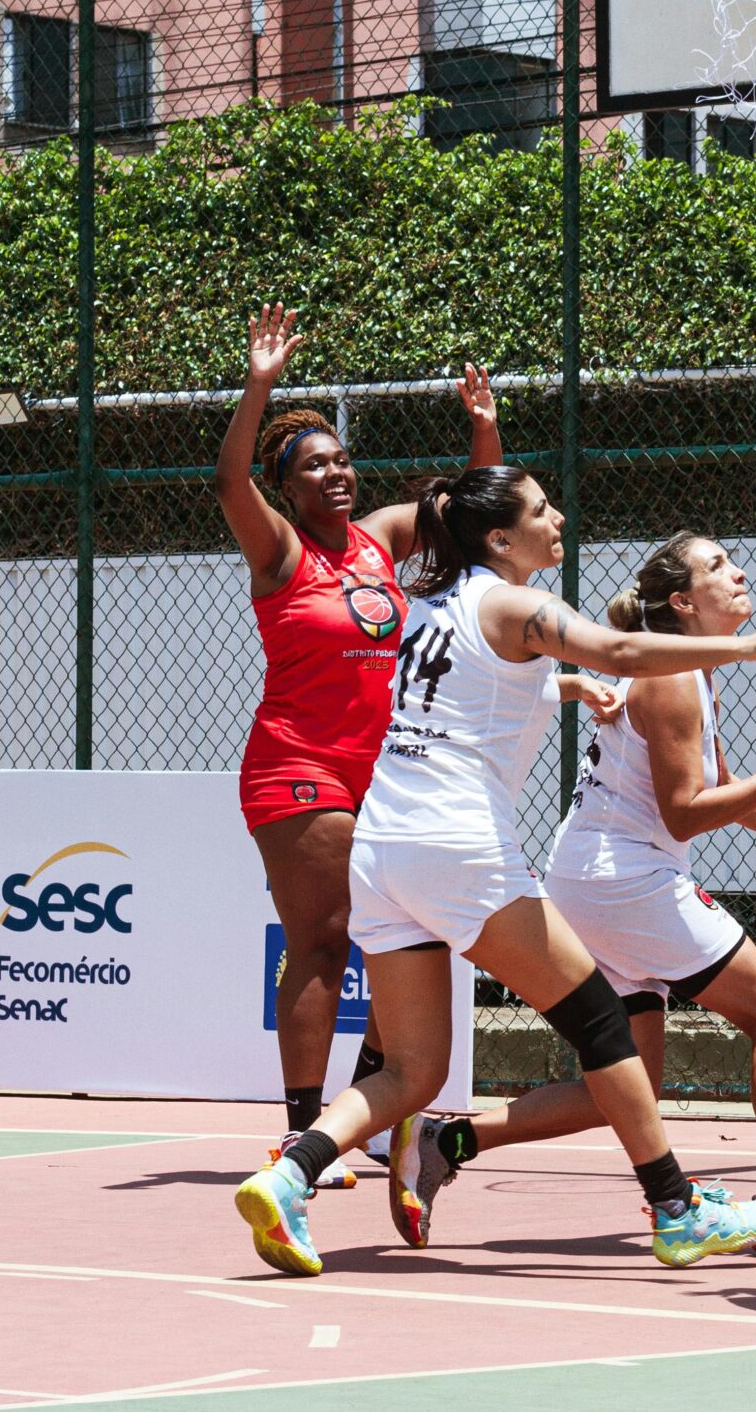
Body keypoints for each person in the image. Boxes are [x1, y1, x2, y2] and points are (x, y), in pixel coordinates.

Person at [231, 468, 756, 1276]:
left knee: (414, 1069)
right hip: (458, 848)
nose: (560, 517)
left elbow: (487, 684)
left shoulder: (432, 608)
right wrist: (743, 643)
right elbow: (618, 646)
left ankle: (288, 1173)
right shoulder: (509, 603)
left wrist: (572, 686)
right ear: (501, 539)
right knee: (603, 1025)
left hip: (385, 846)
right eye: (542, 509)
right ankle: (678, 1208)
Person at [393, 533, 756, 1257]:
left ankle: (447, 1137)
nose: (740, 570)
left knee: (625, 1087)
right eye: (718, 565)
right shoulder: (671, 678)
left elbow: (718, 791)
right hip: (626, 880)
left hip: (594, 881)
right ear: (683, 601)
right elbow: (688, 809)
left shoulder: (684, 670)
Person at [212, 303, 508, 1188]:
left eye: (342, 459)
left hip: (384, 772)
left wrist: (484, 431)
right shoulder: (280, 552)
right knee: (327, 937)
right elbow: (228, 482)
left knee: (402, 929)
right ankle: (304, 1131)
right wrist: (260, 384)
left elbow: (470, 515)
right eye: (315, 465)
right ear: (290, 486)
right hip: (296, 765)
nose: (336, 473)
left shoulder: (380, 542)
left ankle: (366, 1114)